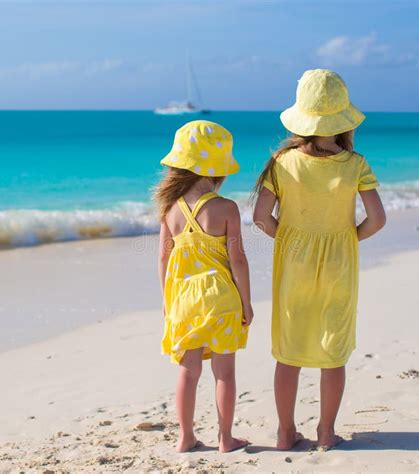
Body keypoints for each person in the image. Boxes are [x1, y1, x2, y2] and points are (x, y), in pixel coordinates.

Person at [252, 69, 386, 451]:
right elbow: (377, 219)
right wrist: (346, 239)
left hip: (293, 263)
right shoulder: (355, 164)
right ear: (342, 118)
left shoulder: (282, 162)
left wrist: (292, 240)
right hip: (340, 263)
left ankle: (284, 433)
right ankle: (326, 433)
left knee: (289, 351)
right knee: (333, 350)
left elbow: (261, 217)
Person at [154, 120, 253, 453]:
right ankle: (226, 439)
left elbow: (163, 261)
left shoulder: (170, 210)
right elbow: (237, 260)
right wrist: (246, 302)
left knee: (188, 371)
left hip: (184, 300)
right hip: (221, 298)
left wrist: (168, 303)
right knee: (224, 372)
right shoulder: (226, 208)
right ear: (218, 168)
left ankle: (185, 437)